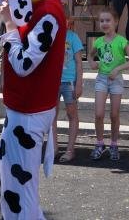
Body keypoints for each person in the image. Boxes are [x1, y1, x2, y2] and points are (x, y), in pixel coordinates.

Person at [0, 0, 66, 219]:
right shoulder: (31, 5)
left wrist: (9, 29)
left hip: (30, 113)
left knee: (21, 190)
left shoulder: (47, 13)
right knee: (4, 180)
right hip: (20, 111)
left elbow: (24, 65)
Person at [88, 8, 129, 161]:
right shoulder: (98, 41)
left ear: (116, 22)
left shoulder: (122, 41)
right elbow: (90, 54)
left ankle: (114, 144)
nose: (104, 23)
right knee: (99, 114)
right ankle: (99, 143)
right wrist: (91, 62)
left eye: (108, 20)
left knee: (114, 114)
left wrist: (117, 69)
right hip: (102, 78)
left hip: (116, 80)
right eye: (101, 21)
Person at [51, 9, 84, 163]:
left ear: (68, 20)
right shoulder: (49, 36)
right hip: (53, 82)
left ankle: (70, 149)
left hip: (69, 83)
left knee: (72, 114)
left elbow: (78, 62)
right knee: (52, 116)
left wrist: (79, 84)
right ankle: (54, 147)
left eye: (62, 19)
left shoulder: (73, 37)